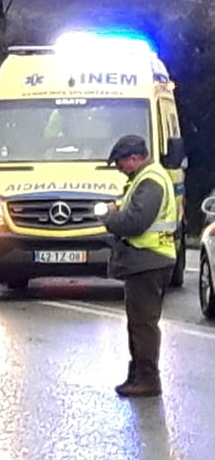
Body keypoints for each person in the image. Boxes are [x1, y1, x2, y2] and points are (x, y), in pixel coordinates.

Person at [97, 134, 178, 398]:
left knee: (143, 324)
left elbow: (135, 222)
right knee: (138, 322)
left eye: (120, 163)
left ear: (134, 158)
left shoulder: (151, 180)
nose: (119, 169)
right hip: (147, 260)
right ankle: (137, 376)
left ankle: (147, 379)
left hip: (149, 259)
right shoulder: (144, 179)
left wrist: (109, 217)